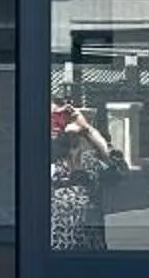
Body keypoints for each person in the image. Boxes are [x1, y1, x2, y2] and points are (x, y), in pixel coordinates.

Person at [48, 103, 116, 252]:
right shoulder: (36, 166)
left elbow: (118, 164)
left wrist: (88, 130)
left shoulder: (88, 163)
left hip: (89, 257)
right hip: (51, 257)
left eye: (60, 116)